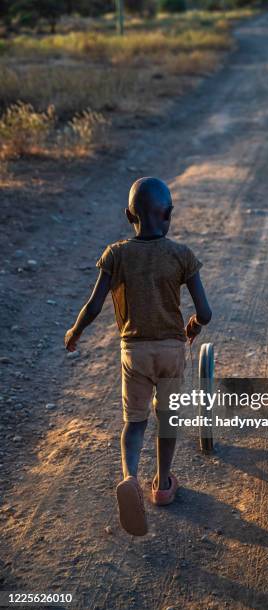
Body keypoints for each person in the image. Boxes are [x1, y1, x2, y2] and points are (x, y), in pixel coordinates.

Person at [64, 177, 212, 536]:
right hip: (172, 351)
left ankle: (130, 477)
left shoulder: (116, 254)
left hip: (135, 352)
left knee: (134, 422)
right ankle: (162, 484)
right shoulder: (182, 255)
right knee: (168, 416)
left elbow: (95, 305)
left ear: (129, 214)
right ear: (169, 215)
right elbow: (204, 312)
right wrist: (191, 327)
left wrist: (75, 332)